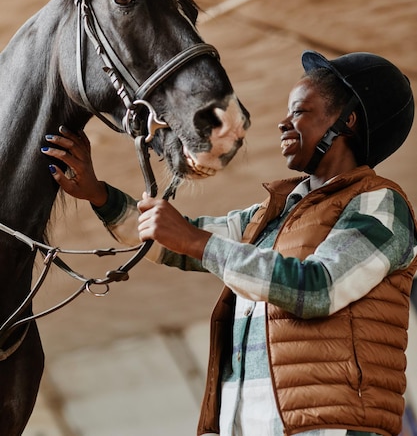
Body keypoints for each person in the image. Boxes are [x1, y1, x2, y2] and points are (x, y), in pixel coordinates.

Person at [42, 50, 417, 436]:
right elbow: (174, 242)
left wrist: (195, 240)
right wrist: (98, 194)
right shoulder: (273, 214)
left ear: (347, 121)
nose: (283, 122)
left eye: (300, 111)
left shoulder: (379, 203)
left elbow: (317, 287)